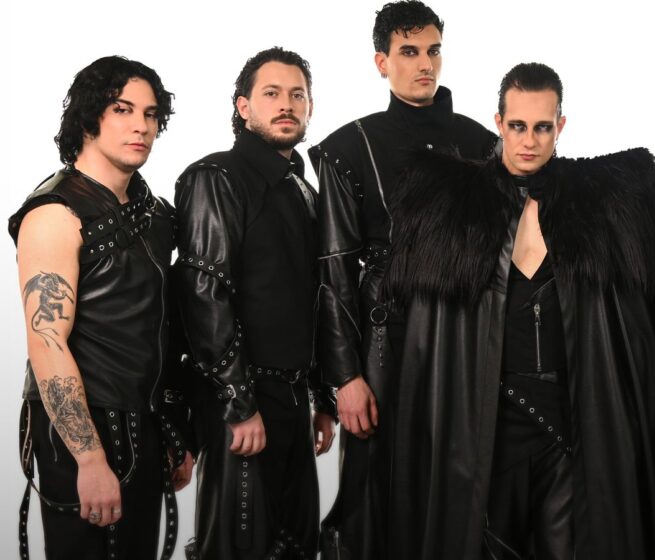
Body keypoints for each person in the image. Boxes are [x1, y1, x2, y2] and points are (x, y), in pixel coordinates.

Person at [380, 62, 655, 559]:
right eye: (517, 126)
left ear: (561, 125)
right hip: (489, 423)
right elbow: (427, 337)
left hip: (567, 424)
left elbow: (629, 330)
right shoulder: (454, 210)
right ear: (498, 122)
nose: (529, 141)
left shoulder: (598, 209)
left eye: (542, 127)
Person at [308, 1, 496, 556]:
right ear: (381, 62)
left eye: (433, 51)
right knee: (377, 492)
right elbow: (334, 269)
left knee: (463, 488)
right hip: (384, 344)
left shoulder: (482, 144)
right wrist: (345, 376)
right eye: (409, 52)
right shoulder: (347, 148)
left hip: (466, 343)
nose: (424, 64)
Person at [9, 55, 194, 560]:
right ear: (90, 118)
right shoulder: (54, 213)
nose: (142, 126)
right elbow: (46, 343)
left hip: (146, 423)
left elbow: (162, 328)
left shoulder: (156, 215)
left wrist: (174, 430)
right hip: (81, 429)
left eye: (151, 114)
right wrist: (89, 458)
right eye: (123, 109)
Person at [174, 47, 334, 559]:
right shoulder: (216, 177)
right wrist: (239, 404)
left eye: (297, 95)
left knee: (297, 546)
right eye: (271, 94)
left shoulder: (304, 192)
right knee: (238, 548)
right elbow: (205, 295)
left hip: (292, 398)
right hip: (242, 401)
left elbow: (312, 298)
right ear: (243, 106)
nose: (287, 105)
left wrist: (322, 399)